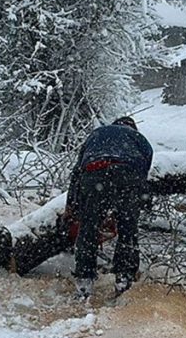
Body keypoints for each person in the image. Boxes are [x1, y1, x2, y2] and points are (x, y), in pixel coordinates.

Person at [65, 116, 153, 300]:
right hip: (128, 175)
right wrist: (141, 203)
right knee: (128, 230)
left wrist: (72, 206)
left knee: (88, 227)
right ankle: (124, 278)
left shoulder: (97, 134)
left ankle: (84, 282)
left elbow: (77, 173)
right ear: (133, 128)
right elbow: (144, 175)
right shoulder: (139, 139)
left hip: (94, 173)